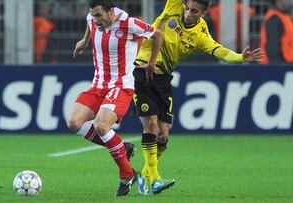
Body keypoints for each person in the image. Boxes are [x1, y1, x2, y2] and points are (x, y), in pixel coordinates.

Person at [134, 0, 262, 195]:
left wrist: (240, 58)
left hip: (164, 79)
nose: (187, 13)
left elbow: (220, 51)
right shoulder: (173, 7)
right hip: (144, 70)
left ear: (203, 13)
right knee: (150, 124)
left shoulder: (201, 34)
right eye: (187, 8)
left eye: (193, 11)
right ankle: (155, 179)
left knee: (163, 135)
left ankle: (144, 174)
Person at [67, 0, 163, 197]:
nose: (95, 19)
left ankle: (126, 175)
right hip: (98, 85)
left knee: (101, 126)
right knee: (74, 123)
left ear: (110, 11)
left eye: (99, 15)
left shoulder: (129, 24)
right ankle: (122, 147)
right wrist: (85, 41)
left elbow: (157, 34)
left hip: (121, 86)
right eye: (93, 15)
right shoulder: (92, 18)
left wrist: (152, 63)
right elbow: (89, 23)